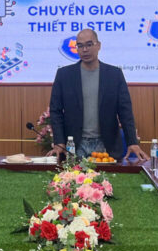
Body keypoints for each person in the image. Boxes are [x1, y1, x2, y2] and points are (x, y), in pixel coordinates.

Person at [47, 29, 147, 161]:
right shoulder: (64, 75)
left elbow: (125, 111)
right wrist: (59, 142)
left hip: (106, 145)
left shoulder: (114, 74)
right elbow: (56, 111)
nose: (85, 50)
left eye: (89, 44)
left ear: (98, 45)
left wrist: (132, 142)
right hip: (74, 145)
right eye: (80, 46)